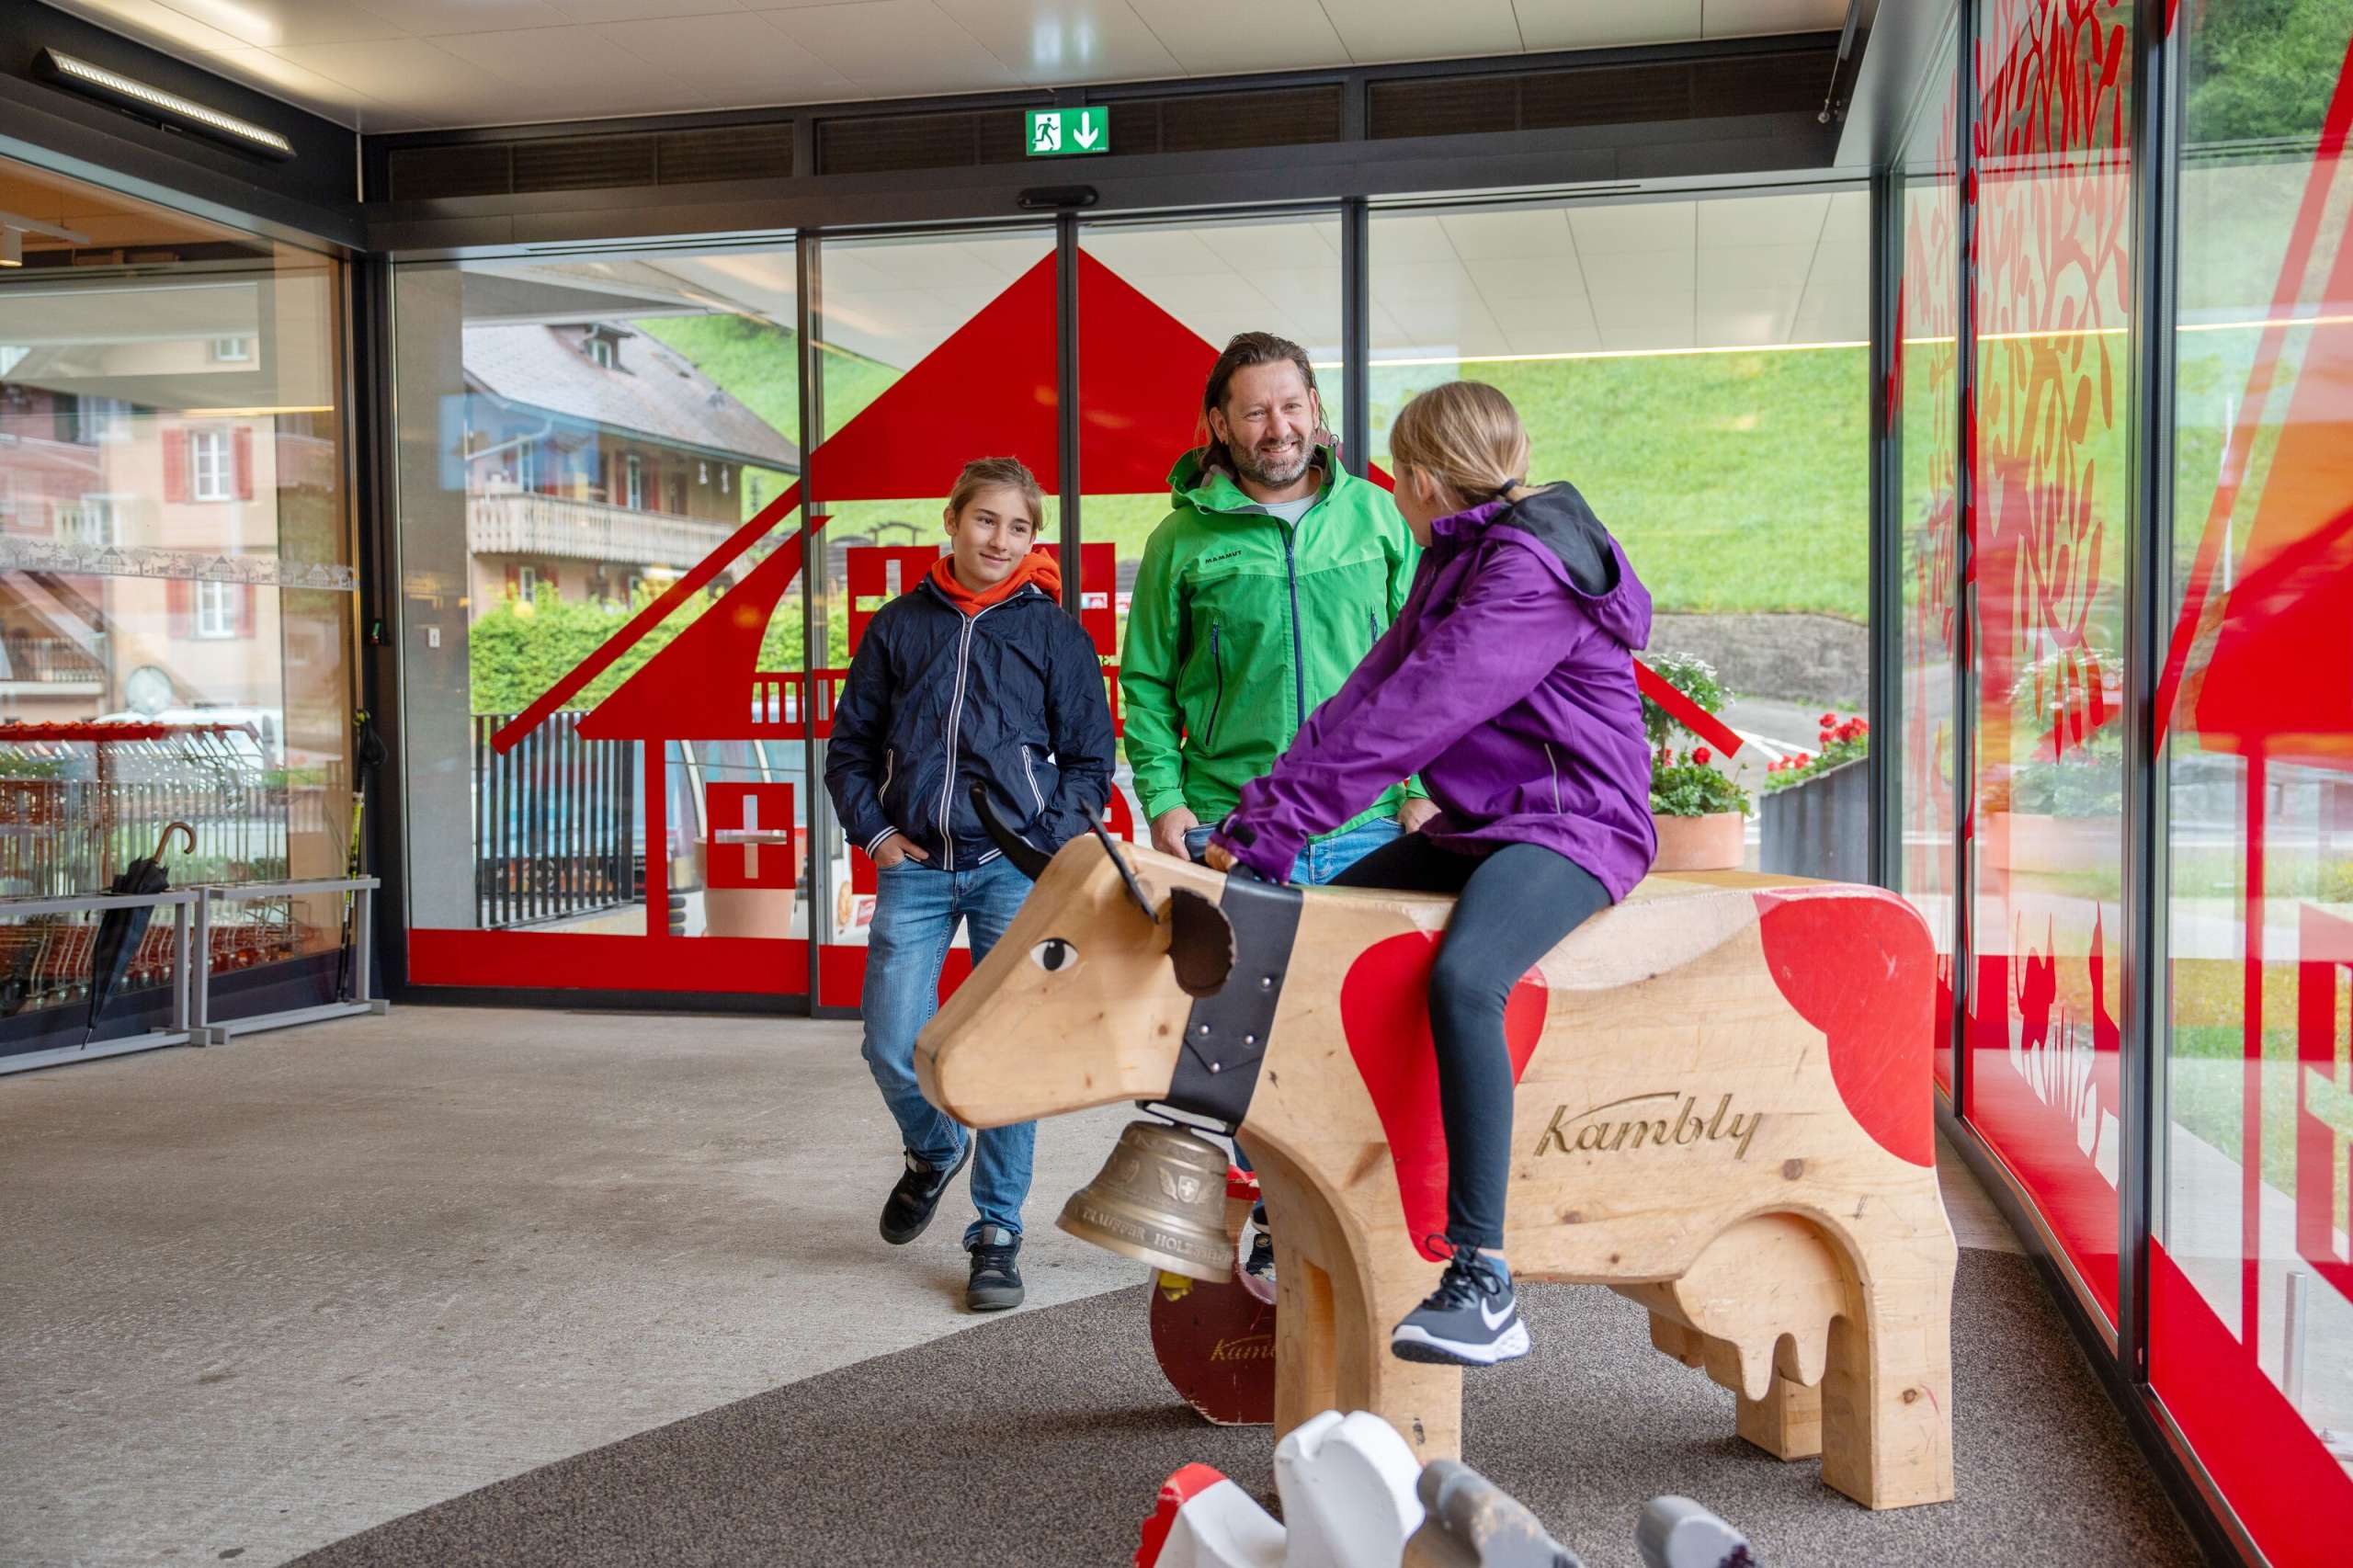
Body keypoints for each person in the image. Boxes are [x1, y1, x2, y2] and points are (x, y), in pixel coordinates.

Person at [1205, 381, 1656, 1368]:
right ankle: (1310, 1181)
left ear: (1415, 479)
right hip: (1489, 822)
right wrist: (1256, 826)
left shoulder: (1526, 570)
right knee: (1320, 929)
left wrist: (1277, 827)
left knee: (1465, 979)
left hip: (1577, 823)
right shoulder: (1459, 559)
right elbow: (1371, 692)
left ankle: (1483, 1277)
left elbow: (1418, 715)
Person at [1121, 331, 1434, 1281]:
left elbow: (1427, 668)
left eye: (1291, 406)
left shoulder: (1376, 518)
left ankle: (1353, 1216)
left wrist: (1422, 791)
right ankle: (1274, 1212)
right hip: (1237, 827)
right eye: (1255, 411)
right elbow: (1146, 684)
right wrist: (1166, 800)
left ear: (1316, 410)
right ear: (1219, 424)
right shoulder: (1180, 541)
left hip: (1367, 822)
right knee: (1245, 1040)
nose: (1278, 427)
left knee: (1361, 1035)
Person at [825, 456, 1115, 1313]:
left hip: (1008, 875)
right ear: (952, 520)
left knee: (1009, 1055)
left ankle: (996, 1232)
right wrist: (877, 835)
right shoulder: (898, 626)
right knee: (891, 1041)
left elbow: (1090, 761)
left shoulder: (1054, 634)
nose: (1001, 539)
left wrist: (1041, 845)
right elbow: (850, 748)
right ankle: (934, 1147)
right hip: (915, 868)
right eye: (986, 520)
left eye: (1019, 527)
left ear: (1033, 539)